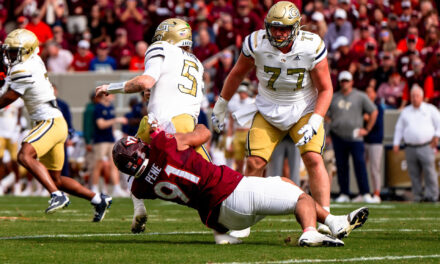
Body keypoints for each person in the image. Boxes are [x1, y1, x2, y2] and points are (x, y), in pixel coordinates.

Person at [112, 124, 369, 246]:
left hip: (219, 218)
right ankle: (310, 231)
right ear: (140, 147)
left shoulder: (140, 186)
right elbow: (203, 133)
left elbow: (138, 195)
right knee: (300, 197)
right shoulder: (163, 146)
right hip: (233, 192)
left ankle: (334, 223)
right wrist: (160, 132)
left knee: (284, 182)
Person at [211, 1, 334, 234]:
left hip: (303, 108)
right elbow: (237, 74)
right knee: (254, 163)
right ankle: (243, 220)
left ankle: (324, 218)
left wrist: (316, 119)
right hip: (268, 109)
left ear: (296, 28)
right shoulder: (255, 43)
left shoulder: (311, 46)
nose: (278, 33)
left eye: (284, 28)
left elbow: (326, 88)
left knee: (314, 159)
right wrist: (221, 104)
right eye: (274, 27)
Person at [95, 18, 211, 230]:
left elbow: (145, 82)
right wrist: (154, 91)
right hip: (185, 125)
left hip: (156, 121)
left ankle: (138, 206)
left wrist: (110, 87)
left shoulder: (160, 47)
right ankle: (228, 220)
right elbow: (171, 89)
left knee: (127, 158)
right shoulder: (197, 63)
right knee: (211, 180)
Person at [0, 29, 112, 221]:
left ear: (26, 50)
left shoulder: (23, 68)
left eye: (14, 51)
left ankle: (56, 195)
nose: (10, 55)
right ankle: (97, 199)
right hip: (56, 122)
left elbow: (9, 96)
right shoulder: (33, 59)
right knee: (56, 179)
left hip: (48, 121)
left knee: (24, 156)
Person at [327, 71, 377, 203]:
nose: (345, 83)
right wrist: (328, 131)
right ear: (339, 82)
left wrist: (367, 129)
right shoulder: (334, 97)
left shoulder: (360, 96)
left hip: (355, 137)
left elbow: (373, 111)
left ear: (352, 82)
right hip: (338, 136)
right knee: (342, 166)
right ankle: (344, 193)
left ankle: (365, 192)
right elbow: (326, 115)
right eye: (342, 81)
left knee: (359, 165)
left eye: (347, 81)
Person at [393, 85, 440, 202]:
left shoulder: (430, 109)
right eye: (413, 96)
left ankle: (432, 196)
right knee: (413, 174)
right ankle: (418, 196)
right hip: (410, 147)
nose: (415, 98)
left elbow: (439, 123)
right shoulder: (406, 111)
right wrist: (396, 143)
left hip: (426, 146)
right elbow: (399, 128)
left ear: (422, 97)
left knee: (430, 172)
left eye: (417, 96)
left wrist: (437, 136)